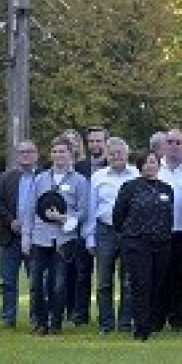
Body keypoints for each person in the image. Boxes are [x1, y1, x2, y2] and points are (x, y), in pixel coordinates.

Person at [21, 136, 89, 336]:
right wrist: (26, 237)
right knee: (36, 283)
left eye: (63, 152)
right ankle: (39, 321)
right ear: (51, 155)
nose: (59, 156)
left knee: (58, 284)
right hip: (39, 238)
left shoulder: (79, 181)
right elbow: (30, 210)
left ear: (71, 155)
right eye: (55, 152)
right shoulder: (40, 179)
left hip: (63, 239)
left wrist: (63, 218)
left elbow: (83, 211)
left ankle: (55, 322)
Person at [113, 150, 175, 341]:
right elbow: (118, 217)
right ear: (140, 166)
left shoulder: (166, 189)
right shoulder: (129, 187)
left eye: (154, 162)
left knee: (157, 284)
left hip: (162, 244)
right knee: (141, 284)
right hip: (137, 243)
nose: (150, 165)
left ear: (159, 165)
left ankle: (153, 322)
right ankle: (141, 327)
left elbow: (169, 217)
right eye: (147, 162)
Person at [84, 137, 139, 334]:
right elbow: (91, 209)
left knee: (128, 280)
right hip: (105, 230)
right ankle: (106, 323)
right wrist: (90, 237)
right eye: (112, 153)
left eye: (120, 153)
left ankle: (125, 322)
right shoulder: (98, 177)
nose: (116, 157)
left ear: (127, 154)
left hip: (129, 232)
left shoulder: (136, 174)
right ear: (106, 155)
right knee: (103, 281)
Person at [0, 139, 39, 329]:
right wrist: (10, 221)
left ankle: (36, 317)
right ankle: (8, 318)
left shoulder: (44, 177)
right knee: (8, 281)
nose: (26, 155)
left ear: (36, 155)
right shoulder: (6, 178)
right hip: (10, 236)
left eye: (29, 152)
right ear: (17, 155)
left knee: (36, 280)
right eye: (22, 152)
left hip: (37, 237)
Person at [69, 125, 106, 326]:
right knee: (83, 273)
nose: (95, 145)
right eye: (91, 141)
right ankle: (80, 315)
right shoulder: (79, 167)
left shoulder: (116, 163)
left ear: (105, 143)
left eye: (98, 141)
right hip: (83, 226)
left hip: (108, 227)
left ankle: (105, 316)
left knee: (106, 276)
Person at [156, 127, 182, 331]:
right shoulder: (155, 167)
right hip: (160, 232)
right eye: (170, 142)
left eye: (178, 142)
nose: (174, 146)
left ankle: (178, 317)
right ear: (164, 145)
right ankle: (158, 317)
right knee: (160, 276)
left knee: (181, 277)